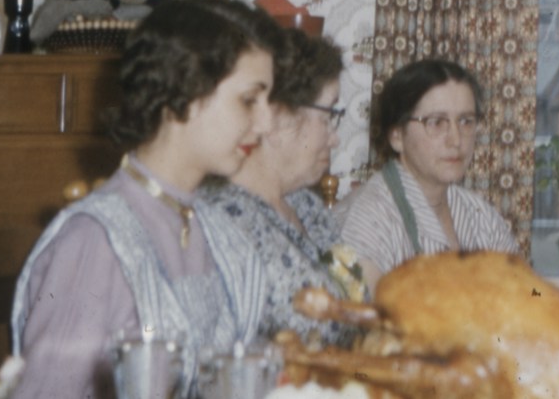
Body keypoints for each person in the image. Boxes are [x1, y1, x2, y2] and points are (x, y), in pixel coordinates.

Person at [10, 0, 280, 398]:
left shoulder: (220, 232)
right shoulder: (95, 243)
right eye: (249, 100)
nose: (267, 122)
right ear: (183, 91)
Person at [202, 27, 356, 343]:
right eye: (328, 116)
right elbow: (317, 329)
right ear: (277, 118)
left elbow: (356, 296)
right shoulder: (225, 219)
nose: (335, 137)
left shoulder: (306, 204)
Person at [332, 58, 517, 290]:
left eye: (466, 121)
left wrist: (551, 296)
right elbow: (353, 320)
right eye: (436, 122)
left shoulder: (479, 215)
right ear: (397, 135)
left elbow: (530, 290)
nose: (456, 139)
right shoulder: (365, 223)